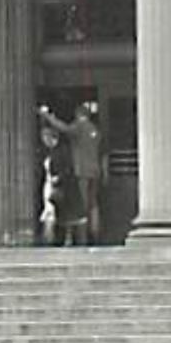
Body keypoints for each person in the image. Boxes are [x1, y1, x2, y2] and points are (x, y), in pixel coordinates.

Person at [41, 103, 103, 244]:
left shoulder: (79, 127)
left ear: (78, 115)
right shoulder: (94, 130)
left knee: (81, 205)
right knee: (93, 204)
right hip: (95, 171)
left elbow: (64, 128)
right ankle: (95, 232)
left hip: (82, 171)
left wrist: (49, 117)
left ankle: (84, 237)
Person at [37, 107, 81, 247]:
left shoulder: (62, 151)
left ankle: (56, 239)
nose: (44, 140)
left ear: (52, 137)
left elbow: (67, 168)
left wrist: (58, 178)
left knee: (63, 213)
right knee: (51, 212)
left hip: (62, 186)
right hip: (50, 185)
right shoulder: (49, 152)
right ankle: (51, 239)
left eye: (45, 137)